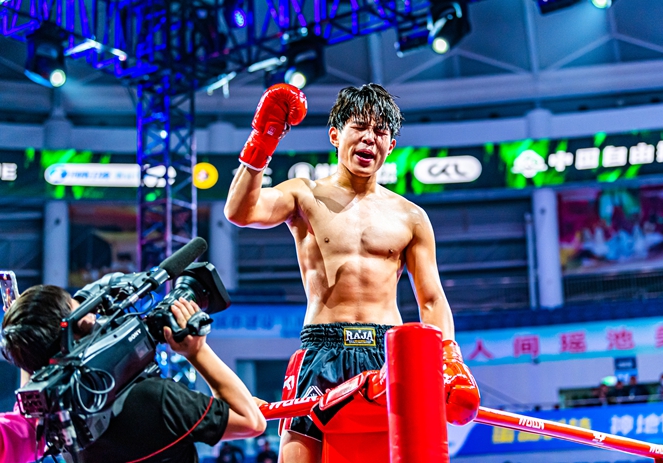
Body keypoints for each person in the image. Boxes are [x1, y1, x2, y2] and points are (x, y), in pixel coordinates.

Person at [224, 83, 480, 462]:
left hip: (388, 355)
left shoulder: (411, 217)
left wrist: (449, 357)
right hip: (322, 350)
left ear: (391, 145)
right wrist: (264, 139)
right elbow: (240, 212)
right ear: (335, 135)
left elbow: (431, 299)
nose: (369, 138)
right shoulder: (304, 194)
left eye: (380, 131)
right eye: (359, 126)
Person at [1, 285, 267, 462]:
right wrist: (197, 352)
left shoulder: (56, 424)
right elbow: (250, 421)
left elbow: (26, 418)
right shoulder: (157, 399)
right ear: (81, 326)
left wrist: (26, 338)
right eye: (80, 309)